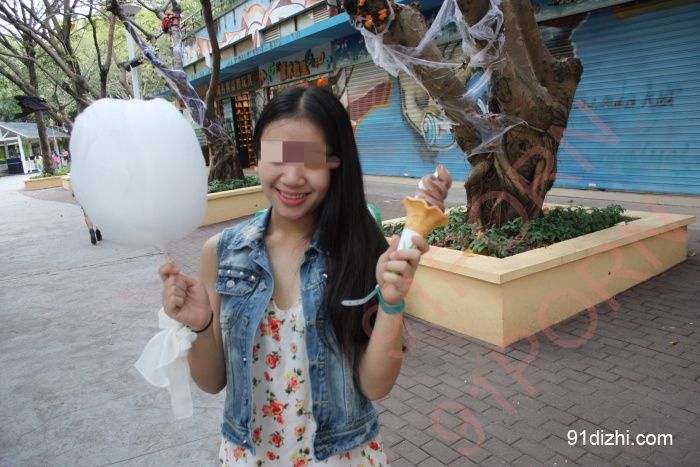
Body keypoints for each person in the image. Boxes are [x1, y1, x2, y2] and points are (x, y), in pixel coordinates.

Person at [159, 86, 430, 466]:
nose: (292, 177)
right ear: (257, 157)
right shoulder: (221, 253)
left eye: (311, 160)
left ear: (336, 164)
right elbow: (211, 381)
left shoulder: (362, 247)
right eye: (278, 157)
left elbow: (375, 386)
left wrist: (391, 304)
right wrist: (200, 325)